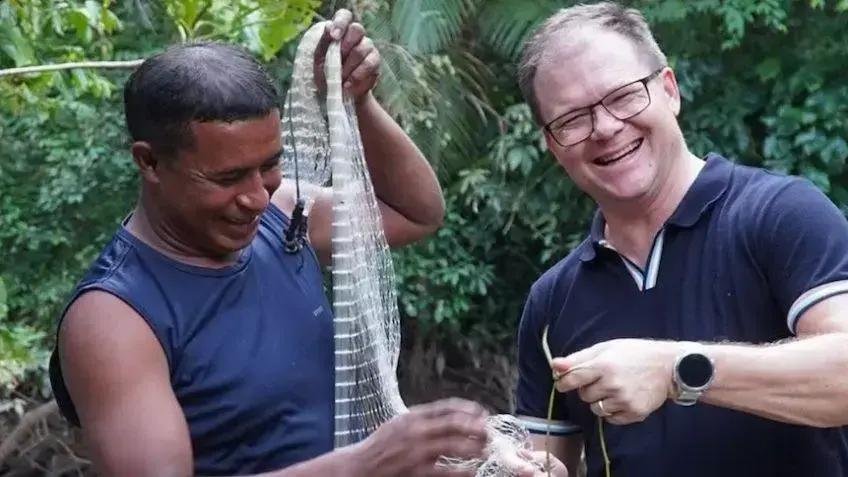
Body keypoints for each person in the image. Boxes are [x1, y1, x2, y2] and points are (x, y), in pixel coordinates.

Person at [48, 10, 491, 477]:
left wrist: (357, 101)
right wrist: (368, 462)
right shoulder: (113, 318)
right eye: (228, 177)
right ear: (150, 162)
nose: (256, 196)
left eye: (269, 166)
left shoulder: (283, 214)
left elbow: (414, 213)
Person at [512, 2, 848, 477]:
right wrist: (503, 464)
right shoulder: (552, 301)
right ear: (552, 145)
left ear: (669, 90)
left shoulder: (780, 214)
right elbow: (545, 459)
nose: (605, 128)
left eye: (624, 96)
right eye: (573, 120)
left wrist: (677, 370)